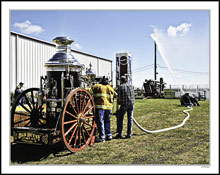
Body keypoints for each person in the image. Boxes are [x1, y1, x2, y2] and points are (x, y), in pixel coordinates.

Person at [92, 76, 116, 142]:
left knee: (101, 121)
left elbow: (89, 90)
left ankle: (102, 137)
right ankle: (109, 135)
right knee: (107, 121)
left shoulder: (98, 86)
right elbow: (114, 96)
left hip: (101, 106)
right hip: (109, 107)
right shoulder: (110, 88)